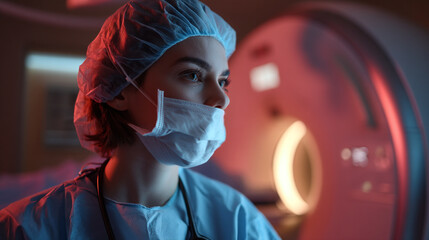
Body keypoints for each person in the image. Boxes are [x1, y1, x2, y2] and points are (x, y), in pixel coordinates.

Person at [0, 0, 281, 239]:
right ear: (119, 91)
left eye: (223, 81)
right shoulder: (30, 227)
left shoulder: (237, 220)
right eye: (192, 75)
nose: (221, 99)